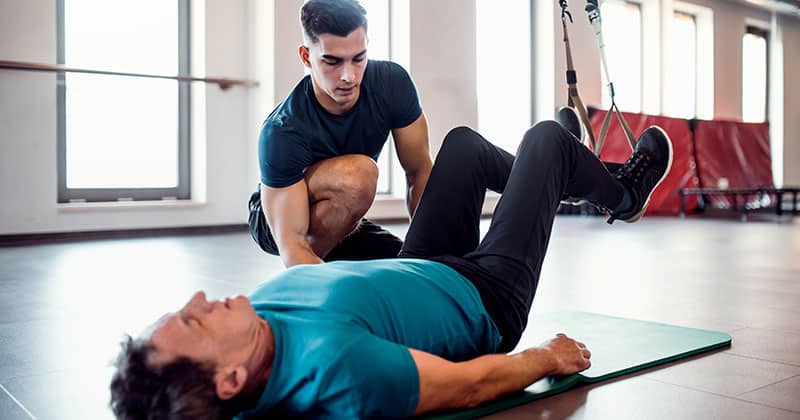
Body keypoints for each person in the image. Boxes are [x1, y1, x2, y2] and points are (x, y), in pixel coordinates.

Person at [110, 121, 673, 419]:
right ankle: (621, 194)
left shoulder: (243, 352)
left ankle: (559, 179)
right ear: (230, 378)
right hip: (486, 299)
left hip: (423, 266)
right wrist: (546, 357)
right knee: (548, 141)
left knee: (463, 148)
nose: (202, 297)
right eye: (197, 322)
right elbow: (471, 387)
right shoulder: (337, 370)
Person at [248, 0, 433, 267]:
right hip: (278, 217)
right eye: (332, 62)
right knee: (359, 176)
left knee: (405, 266)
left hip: (344, 211)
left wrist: (426, 260)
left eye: (358, 58)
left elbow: (420, 172)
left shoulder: (392, 84)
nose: (348, 76)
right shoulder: (282, 130)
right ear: (306, 56)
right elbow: (293, 244)